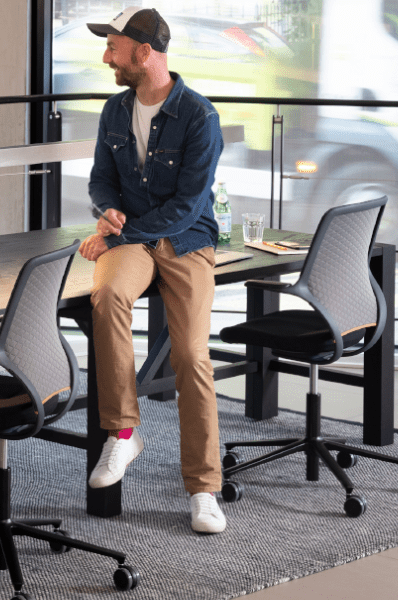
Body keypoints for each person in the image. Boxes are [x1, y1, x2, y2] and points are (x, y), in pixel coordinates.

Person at [79, 8, 226, 534]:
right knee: (107, 297)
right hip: (132, 238)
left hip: (185, 241)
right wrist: (107, 209)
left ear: (144, 53)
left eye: (113, 48)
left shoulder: (199, 117)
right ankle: (122, 434)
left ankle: (205, 489)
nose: (106, 57)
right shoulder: (115, 111)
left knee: (190, 356)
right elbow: (100, 178)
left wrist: (118, 232)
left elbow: (188, 207)